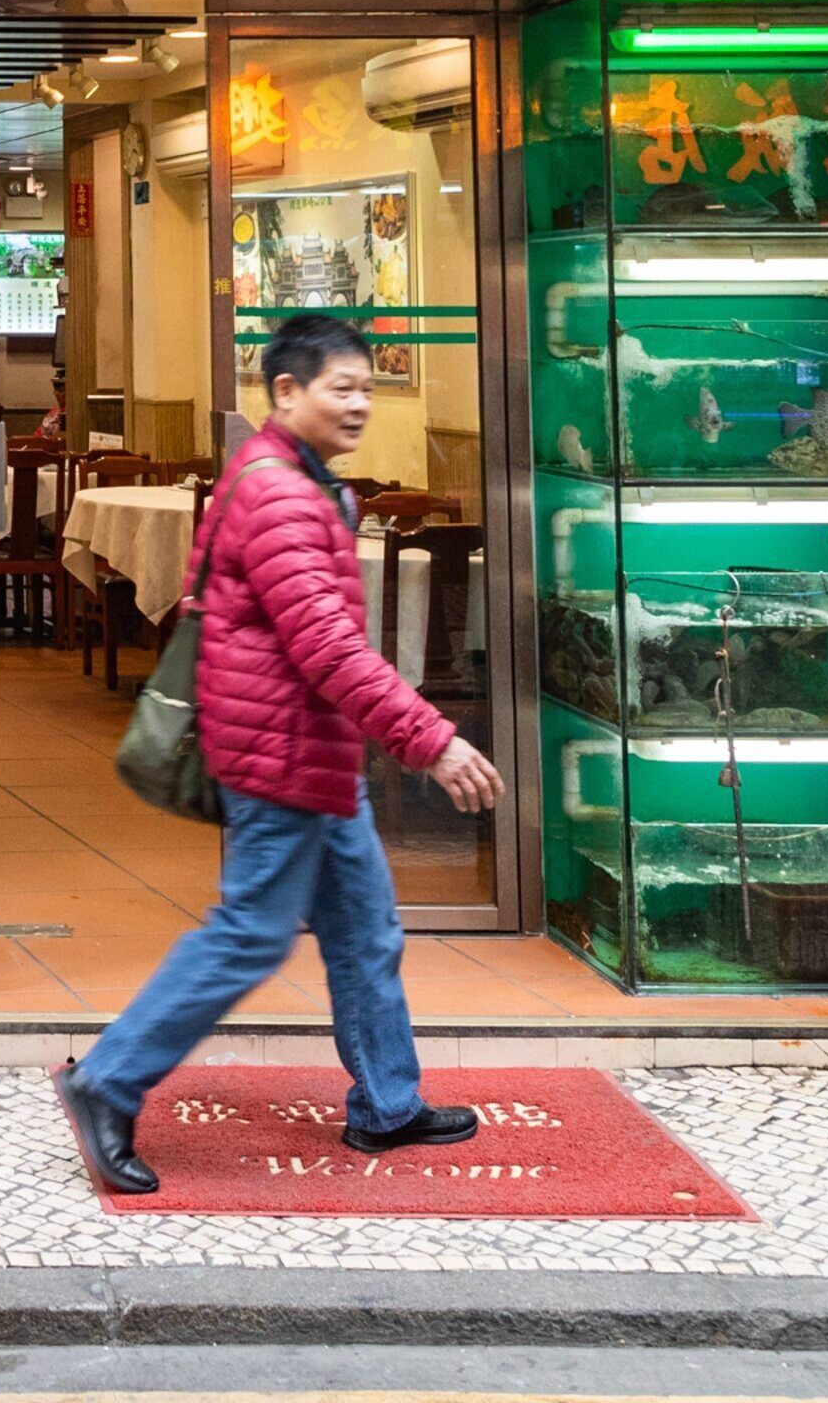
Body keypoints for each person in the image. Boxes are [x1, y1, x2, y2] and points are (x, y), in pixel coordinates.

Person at [57, 312, 506, 1194]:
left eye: (367, 388)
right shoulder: (282, 496)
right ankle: (107, 1080)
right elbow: (328, 647)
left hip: (315, 755)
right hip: (278, 759)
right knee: (251, 935)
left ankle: (387, 1104)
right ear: (287, 391)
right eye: (342, 388)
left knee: (365, 930)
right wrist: (432, 740)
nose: (359, 405)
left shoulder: (298, 480)